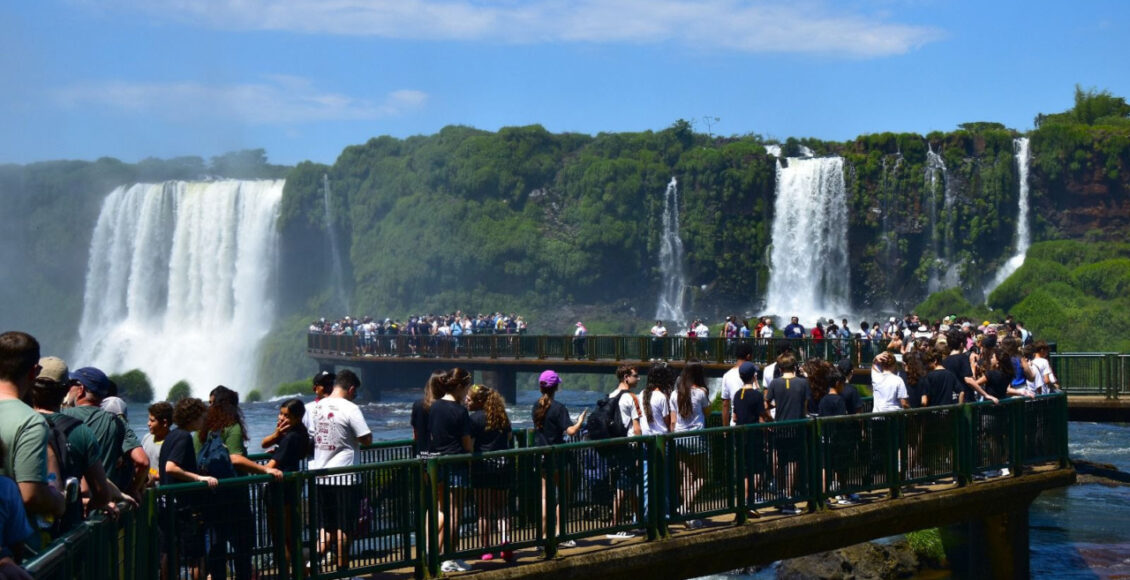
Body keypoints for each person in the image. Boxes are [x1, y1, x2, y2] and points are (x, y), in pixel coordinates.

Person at [27, 357, 131, 536]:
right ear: (66, 390)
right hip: (66, 535)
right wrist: (88, 506)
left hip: (20, 536)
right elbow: (99, 492)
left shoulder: (20, 423)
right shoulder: (79, 430)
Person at [199, 385, 281, 580]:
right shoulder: (232, 426)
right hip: (234, 497)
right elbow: (235, 458)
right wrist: (265, 469)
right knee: (243, 547)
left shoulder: (202, 429)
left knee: (217, 549)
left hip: (211, 496)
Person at [306, 369, 372, 573]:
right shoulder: (350, 408)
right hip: (345, 477)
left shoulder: (315, 408)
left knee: (327, 527)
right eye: (355, 392)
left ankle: (309, 566)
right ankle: (343, 573)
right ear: (351, 389)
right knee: (345, 528)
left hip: (320, 475)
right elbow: (366, 439)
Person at [0, 332, 65, 527]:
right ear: (33, 372)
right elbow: (31, 495)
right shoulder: (30, 422)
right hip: (19, 549)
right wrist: (59, 501)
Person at [61, 367, 149, 502]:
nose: (68, 388)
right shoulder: (116, 422)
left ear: (81, 389)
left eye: (71, 384)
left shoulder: (62, 416)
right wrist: (132, 490)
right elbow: (142, 461)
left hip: (70, 505)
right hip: (107, 508)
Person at [159, 397, 214, 580]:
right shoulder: (184, 437)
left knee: (169, 551)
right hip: (183, 508)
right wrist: (200, 477)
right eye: (201, 416)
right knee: (195, 557)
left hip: (169, 504)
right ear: (192, 417)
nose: (204, 420)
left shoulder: (171, 435)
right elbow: (171, 467)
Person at [532, 370, 585, 548]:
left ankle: (543, 536)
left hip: (541, 454)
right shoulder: (558, 407)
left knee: (545, 498)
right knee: (562, 496)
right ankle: (560, 534)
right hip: (557, 456)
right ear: (556, 387)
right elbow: (570, 431)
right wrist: (579, 421)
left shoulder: (536, 406)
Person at [427, 368, 473, 573]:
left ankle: (433, 553)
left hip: (437, 464)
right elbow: (467, 443)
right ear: (461, 386)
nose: (468, 392)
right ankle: (449, 556)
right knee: (454, 513)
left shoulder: (435, 406)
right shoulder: (461, 411)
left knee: (440, 510)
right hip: (456, 463)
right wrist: (471, 453)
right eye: (468, 387)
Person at [467, 384, 514, 562]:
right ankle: (506, 544)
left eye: (469, 399)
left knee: (484, 511)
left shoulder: (475, 419)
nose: (466, 401)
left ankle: (486, 549)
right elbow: (509, 438)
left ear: (479, 401)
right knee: (502, 508)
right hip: (503, 465)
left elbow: (470, 446)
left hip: (482, 467)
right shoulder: (502, 417)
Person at [262, 398, 310, 569]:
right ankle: (300, 574)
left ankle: (285, 573)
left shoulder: (290, 438)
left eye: (286, 416)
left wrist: (249, 467)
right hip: (290, 488)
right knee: (290, 536)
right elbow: (263, 444)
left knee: (281, 538)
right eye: (281, 413)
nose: (281, 418)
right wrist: (276, 436)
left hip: (280, 490)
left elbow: (270, 467)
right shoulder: (297, 435)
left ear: (297, 418)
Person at [764, 353, 810, 514]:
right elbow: (805, 406)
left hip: (780, 427)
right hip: (797, 426)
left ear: (781, 368)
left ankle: (781, 493)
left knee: (779, 460)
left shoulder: (775, 383)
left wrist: (770, 420)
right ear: (795, 367)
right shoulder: (803, 383)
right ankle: (789, 497)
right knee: (793, 462)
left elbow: (766, 404)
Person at [670, 362, 710, 528]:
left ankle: (688, 515)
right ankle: (686, 508)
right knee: (701, 476)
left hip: (679, 438)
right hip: (696, 437)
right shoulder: (700, 393)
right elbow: (707, 413)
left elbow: (672, 422)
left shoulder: (674, 394)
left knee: (686, 477)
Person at [606, 365, 642, 537]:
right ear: (626, 377)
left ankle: (640, 521)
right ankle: (615, 525)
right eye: (636, 376)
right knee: (623, 486)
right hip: (628, 446)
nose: (639, 379)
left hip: (614, 445)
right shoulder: (631, 397)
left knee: (629, 484)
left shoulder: (610, 396)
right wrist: (641, 445)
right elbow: (636, 428)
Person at [732, 361, 770, 518]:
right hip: (754, 437)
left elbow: (734, 417)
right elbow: (763, 415)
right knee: (757, 471)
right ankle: (749, 501)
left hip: (740, 437)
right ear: (753, 376)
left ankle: (742, 502)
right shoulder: (756, 395)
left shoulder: (737, 394)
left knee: (745, 471)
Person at [721, 343, 757, 426]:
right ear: (748, 356)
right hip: (752, 422)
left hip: (735, 422)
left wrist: (725, 429)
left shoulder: (727, 375)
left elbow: (725, 404)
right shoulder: (751, 373)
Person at [410, 370, 445, 456]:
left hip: (422, 454)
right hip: (441, 457)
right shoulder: (446, 406)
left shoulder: (417, 405)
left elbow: (415, 433)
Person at [143, 402, 174, 488]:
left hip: (162, 491)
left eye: (152, 421)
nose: (148, 423)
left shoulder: (172, 443)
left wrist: (153, 477)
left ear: (165, 423)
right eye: (149, 419)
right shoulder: (147, 438)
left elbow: (172, 471)